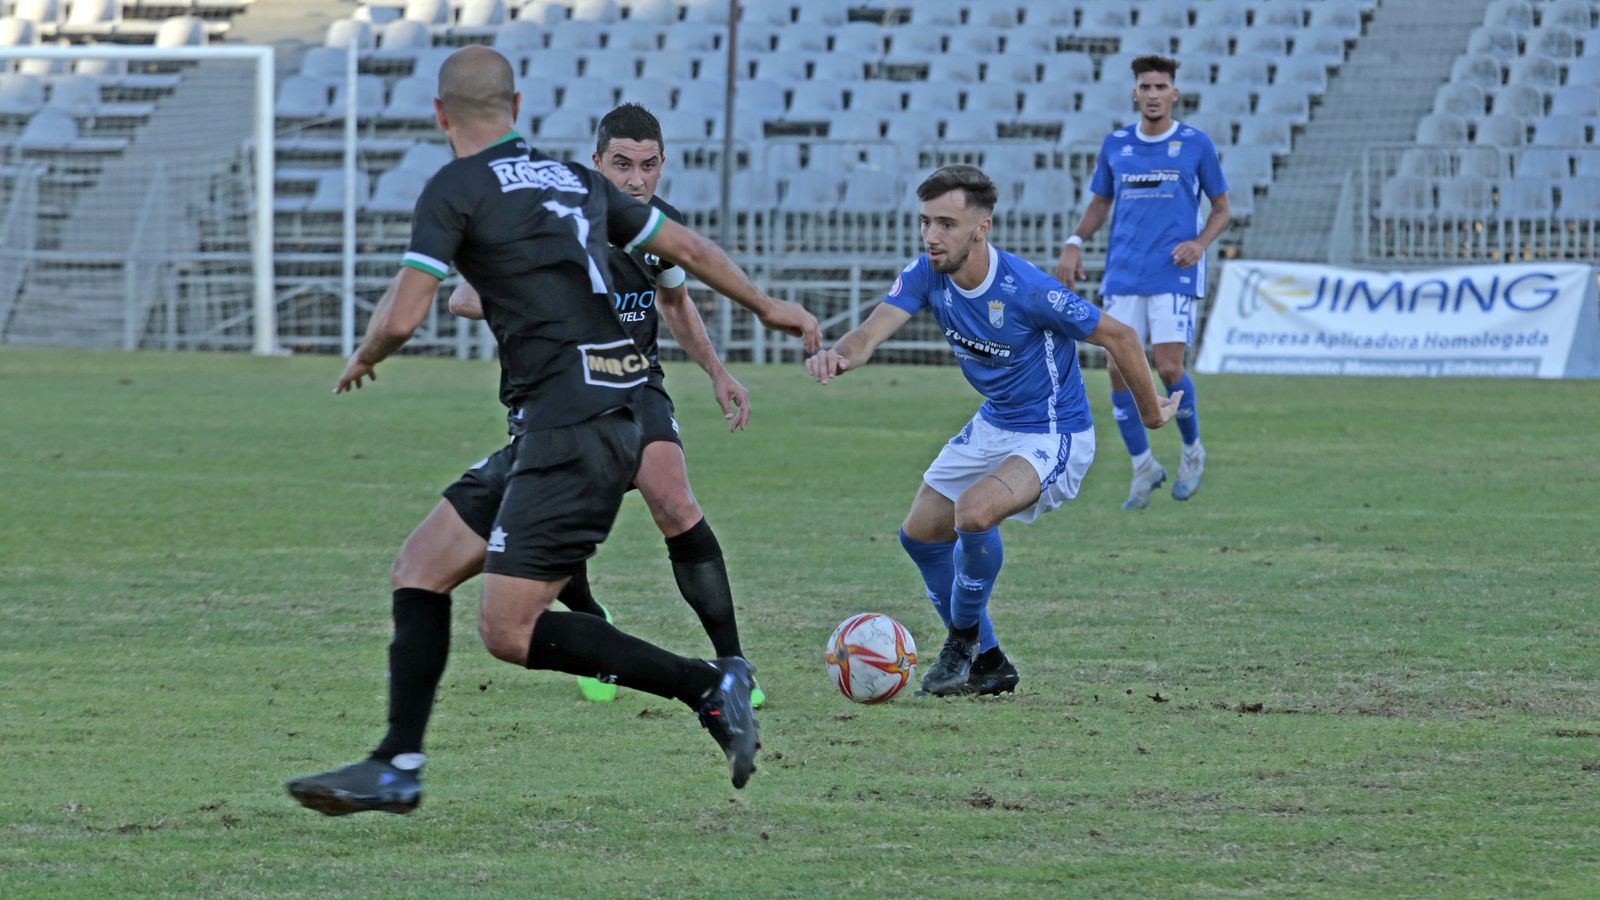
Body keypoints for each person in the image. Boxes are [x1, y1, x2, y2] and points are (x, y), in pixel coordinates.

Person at [286, 47, 819, 816]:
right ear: (517, 107)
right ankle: (397, 762)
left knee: (508, 629)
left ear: (439, 115)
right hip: (576, 418)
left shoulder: (457, 187)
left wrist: (366, 354)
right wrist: (770, 308)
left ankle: (705, 683)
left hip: (576, 425)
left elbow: (403, 317)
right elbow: (690, 250)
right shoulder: (574, 182)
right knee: (420, 567)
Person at [806, 165, 1178, 696]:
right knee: (920, 535)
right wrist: (839, 356)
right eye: (925, 222)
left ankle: (961, 643)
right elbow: (869, 333)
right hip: (995, 421)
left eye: (947, 224)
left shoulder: (1028, 290)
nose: (932, 236)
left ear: (982, 228)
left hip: (1053, 431)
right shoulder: (926, 274)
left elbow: (1120, 336)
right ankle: (990, 662)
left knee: (974, 512)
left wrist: (1151, 413)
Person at [448, 102, 766, 708]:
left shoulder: (660, 229)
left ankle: (734, 666)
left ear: (662, 165)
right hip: (557, 396)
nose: (636, 179)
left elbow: (674, 302)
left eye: (648, 165)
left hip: (634, 384)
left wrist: (717, 371)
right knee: (561, 526)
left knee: (675, 500)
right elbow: (464, 299)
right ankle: (595, 628)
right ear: (597, 163)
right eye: (622, 164)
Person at [1054, 54, 1230, 509]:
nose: (1153, 94)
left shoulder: (1195, 144)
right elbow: (1100, 203)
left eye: (1161, 87)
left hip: (1173, 271)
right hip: (1124, 273)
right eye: (1145, 87)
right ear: (1134, 94)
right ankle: (1143, 465)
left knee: (1168, 369)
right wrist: (1074, 241)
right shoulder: (1116, 144)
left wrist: (1199, 244)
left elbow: (1222, 209)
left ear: (1174, 93)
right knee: (1117, 369)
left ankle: (1192, 450)